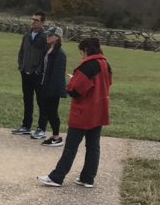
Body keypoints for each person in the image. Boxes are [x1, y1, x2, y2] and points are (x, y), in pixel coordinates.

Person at [38, 38, 112, 188]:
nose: (81, 56)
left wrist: (72, 81)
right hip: (99, 109)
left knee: (71, 146)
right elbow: (107, 83)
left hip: (85, 111)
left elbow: (75, 91)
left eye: (81, 53)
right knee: (93, 146)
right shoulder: (106, 64)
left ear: (86, 50)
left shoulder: (88, 66)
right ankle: (88, 178)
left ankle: (57, 177)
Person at [13, 11, 47, 135]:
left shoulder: (44, 37)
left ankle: (41, 127)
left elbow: (45, 56)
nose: (33, 22)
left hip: (37, 74)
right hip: (25, 72)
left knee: (41, 101)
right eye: (32, 19)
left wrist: (38, 70)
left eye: (37, 20)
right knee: (27, 99)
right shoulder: (26, 35)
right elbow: (21, 52)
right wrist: (21, 66)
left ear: (42, 22)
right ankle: (26, 125)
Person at [35, 26, 67, 146]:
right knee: (46, 111)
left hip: (52, 88)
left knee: (52, 112)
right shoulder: (48, 50)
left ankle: (56, 137)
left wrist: (51, 90)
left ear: (57, 37)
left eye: (51, 35)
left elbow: (57, 74)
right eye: (48, 35)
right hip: (44, 85)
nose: (48, 37)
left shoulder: (60, 53)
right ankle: (54, 135)